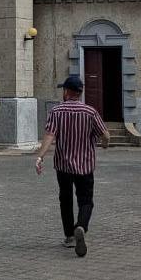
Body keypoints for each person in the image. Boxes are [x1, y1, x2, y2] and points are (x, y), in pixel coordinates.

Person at [34, 74, 110, 257]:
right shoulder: (90, 112)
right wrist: (104, 145)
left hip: (63, 166)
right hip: (85, 165)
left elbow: (50, 135)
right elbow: (105, 135)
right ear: (80, 93)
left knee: (65, 200)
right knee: (86, 201)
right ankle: (81, 226)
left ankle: (69, 236)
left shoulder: (56, 111)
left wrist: (40, 157)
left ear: (67, 92)